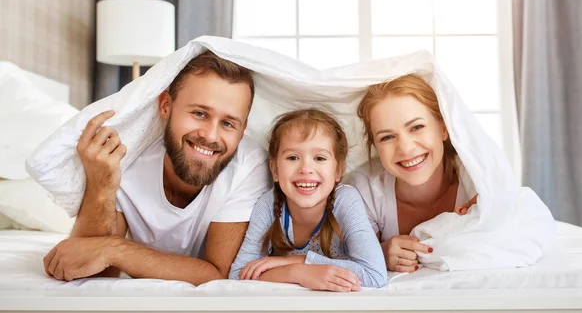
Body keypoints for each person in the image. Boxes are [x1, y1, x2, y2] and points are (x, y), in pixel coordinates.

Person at [43, 51, 271, 285]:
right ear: (165, 106)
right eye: (199, 113)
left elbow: (217, 273)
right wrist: (100, 185)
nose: (211, 136)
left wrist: (115, 250)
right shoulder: (124, 154)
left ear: (242, 131)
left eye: (227, 123)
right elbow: (93, 272)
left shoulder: (249, 164)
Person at [228, 109, 387, 291]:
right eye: (292, 157)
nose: (305, 168)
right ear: (275, 170)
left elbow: (375, 275)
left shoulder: (346, 200)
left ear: (338, 170)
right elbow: (238, 274)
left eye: (319, 158)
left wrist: (303, 261)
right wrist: (297, 273)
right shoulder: (269, 203)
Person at [346, 74, 477, 274]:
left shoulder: (476, 179)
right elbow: (340, 255)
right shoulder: (363, 191)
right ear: (375, 146)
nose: (406, 148)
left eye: (417, 127)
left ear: (443, 128)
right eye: (387, 137)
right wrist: (377, 252)